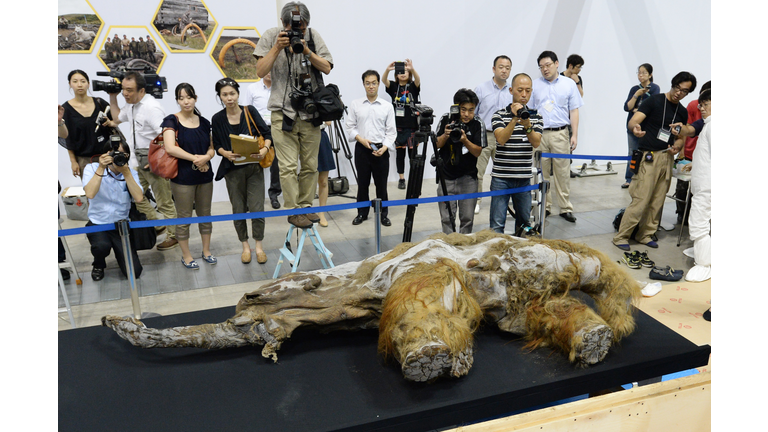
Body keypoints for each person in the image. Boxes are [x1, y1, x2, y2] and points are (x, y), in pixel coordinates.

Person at [252, 1, 333, 229]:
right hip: (282, 112)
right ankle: (293, 210)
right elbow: (259, 71)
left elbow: (327, 67)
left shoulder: (313, 37)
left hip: (310, 112)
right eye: (292, 28)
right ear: (282, 24)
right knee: (287, 167)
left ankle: (307, 206)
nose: (297, 32)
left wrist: (307, 50)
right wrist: (277, 48)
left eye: (302, 28)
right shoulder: (270, 36)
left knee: (310, 166)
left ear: (307, 25)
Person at [613, 71, 697, 251]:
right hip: (648, 156)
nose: (678, 93)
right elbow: (634, 121)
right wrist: (635, 128)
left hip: (667, 157)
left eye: (684, 91)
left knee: (658, 199)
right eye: (677, 88)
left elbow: (681, 137)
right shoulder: (655, 101)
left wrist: (678, 145)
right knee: (641, 198)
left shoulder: (681, 112)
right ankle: (622, 236)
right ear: (673, 84)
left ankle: (646, 234)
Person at [108, 71, 179, 250]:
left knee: (164, 202)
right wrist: (113, 97)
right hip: (135, 162)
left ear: (142, 91)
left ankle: (174, 236)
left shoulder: (151, 107)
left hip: (152, 161)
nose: (125, 93)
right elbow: (117, 118)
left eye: (129, 90)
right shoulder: (131, 104)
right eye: (123, 89)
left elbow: (166, 135)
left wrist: (157, 160)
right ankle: (157, 224)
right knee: (135, 196)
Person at [212, 78, 273, 264]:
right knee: (238, 209)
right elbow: (218, 145)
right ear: (220, 97)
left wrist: (264, 150)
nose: (229, 98)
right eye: (225, 94)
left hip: (254, 167)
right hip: (232, 170)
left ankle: (259, 247)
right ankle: (245, 246)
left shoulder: (250, 111)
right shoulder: (218, 118)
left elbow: (267, 134)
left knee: (257, 208)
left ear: (238, 94)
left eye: (232, 93)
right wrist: (226, 153)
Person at [161, 83, 216, 270]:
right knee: (184, 217)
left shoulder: (205, 122)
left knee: (205, 215)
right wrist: (196, 159)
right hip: (182, 177)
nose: (186, 101)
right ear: (177, 100)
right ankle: (186, 255)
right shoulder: (171, 121)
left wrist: (206, 157)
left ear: (195, 98)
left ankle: (206, 251)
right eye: (181, 98)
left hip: (205, 175)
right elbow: (170, 147)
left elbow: (211, 147)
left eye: (189, 97)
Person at [530, 50, 583, 223]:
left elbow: (574, 110)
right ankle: (544, 206)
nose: (545, 69)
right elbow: (529, 112)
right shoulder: (535, 85)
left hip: (561, 133)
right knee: (541, 172)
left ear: (556, 64)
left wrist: (574, 134)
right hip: (539, 135)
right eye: (541, 67)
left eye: (548, 65)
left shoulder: (568, 84)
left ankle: (565, 207)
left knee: (562, 171)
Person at [82, 141, 145, 281]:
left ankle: (122, 255)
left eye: (121, 154)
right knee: (101, 246)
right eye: (113, 153)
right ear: (105, 154)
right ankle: (98, 264)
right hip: (98, 222)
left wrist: (126, 172)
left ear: (127, 156)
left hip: (121, 225)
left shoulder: (131, 172)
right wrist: (101, 167)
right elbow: (90, 194)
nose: (117, 157)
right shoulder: (91, 168)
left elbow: (139, 198)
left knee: (134, 272)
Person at [489, 73, 543, 235]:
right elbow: (501, 140)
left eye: (528, 90)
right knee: (497, 225)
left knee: (524, 225)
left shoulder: (536, 117)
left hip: (523, 179)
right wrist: (514, 119)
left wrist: (527, 124)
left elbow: (536, 142)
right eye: (520, 90)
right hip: (501, 178)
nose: (524, 94)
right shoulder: (499, 115)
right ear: (511, 90)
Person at [345, 70, 396, 226]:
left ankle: (383, 214)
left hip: (381, 150)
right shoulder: (356, 104)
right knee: (362, 184)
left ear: (379, 84)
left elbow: (391, 131)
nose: (371, 86)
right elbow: (350, 126)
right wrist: (360, 139)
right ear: (363, 84)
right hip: (362, 149)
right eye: (368, 83)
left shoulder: (387, 106)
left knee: (381, 185)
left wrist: (385, 147)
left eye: (374, 83)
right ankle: (362, 213)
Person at [434, 89, 486, 234]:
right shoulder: (446, 119)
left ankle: (464, 249)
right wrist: (445, 134)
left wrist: (464, 140)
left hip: (468, 178)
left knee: (467, 219)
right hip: (446, 177)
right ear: (457, 107)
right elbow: (436, 144)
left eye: (471, 110)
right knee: (446, 219)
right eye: (463, 110)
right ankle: (448, 248)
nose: (467, 114)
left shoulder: (477, 123)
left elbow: (477, 151)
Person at [473, 55, 514, 214]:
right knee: (478, 171)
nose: (504, 70)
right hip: (485, 135)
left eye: (508, 67)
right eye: (501, 67)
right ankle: (476, 200)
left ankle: (505, 198)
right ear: (494, 69)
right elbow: (474, 114)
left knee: (504, 170)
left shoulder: (511, 91)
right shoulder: (481, 89)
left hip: (504, 136)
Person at [59, 70, 113, 178]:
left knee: (114, 190)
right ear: (70, 84)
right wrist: (73, 162)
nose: (79, 84)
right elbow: (68, 139)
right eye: (75, 81)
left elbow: (114, 124)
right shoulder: (66, 110)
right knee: (91, 193)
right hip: (84, 160)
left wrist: (110, 122)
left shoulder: (100, 103)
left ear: (88, 84)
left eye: (83, 81)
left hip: (107, 156)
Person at [681, 90, 711, 283]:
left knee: (698, 225)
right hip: (704, 184)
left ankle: (705, 264)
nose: (701, 108)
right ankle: (705, 254)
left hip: (708, 187)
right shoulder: (709, 126)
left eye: (705, 104)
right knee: (702, 223)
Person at [241, 72, 282, 209]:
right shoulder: (252, 88)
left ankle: (274, 195)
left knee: (276, 164)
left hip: (277, 128)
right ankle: (250, 198)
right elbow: (245, 110)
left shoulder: (280, 86)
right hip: (257, 130)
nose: (270, 73)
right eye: (267, 69)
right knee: (254, 163)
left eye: (272, 69)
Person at [672, 80, 711, 224]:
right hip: (690, 157)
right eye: (702, 103)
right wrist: (680, 130)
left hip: (706, 175)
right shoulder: (703, 119)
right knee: (683, 189)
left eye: (706, 104)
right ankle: (682, 214)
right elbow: (690, 128)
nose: (702, 108)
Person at [382, 58, 421, 190]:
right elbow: (384, 81)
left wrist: (412, 69)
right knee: (400, 154)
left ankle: (413, 177)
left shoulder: (413, 87)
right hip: (397, 126)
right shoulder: (393, 87)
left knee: (413, 155)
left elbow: (418, 80)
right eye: (400, 71)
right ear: (396, 74)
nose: (403, 74)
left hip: (412, 126)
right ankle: (402, 178)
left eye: (405, 71)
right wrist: (387, 70)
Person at [622, 63, 661, 188]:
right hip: (633, 126)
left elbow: (651, 106)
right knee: (632, 152)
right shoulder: (635, 89)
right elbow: (627, 107)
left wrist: (637, 109)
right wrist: (636, 95)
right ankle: (629, 178)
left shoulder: (654, 88)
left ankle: (643, 177)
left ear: (650, 74)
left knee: (646, 152)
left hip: (647, 127)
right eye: (639, 72)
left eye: (644, 72)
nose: (641, 75)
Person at [316, 121, 336, 227]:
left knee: (323, 181)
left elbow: (328, 122)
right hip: (304, 136)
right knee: (307, 180)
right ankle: (305, 211)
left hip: (321, 135)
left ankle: (321, 213)